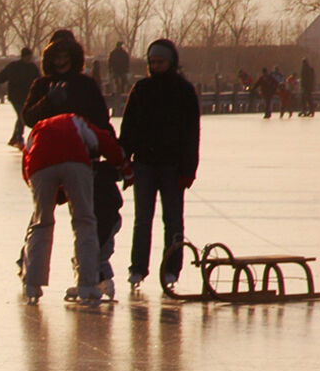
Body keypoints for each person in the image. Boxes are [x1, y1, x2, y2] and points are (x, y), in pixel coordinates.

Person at [22, 30, 124, 298]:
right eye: (56, 56)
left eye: (65, 56)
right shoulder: (42, 86)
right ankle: (34, 278)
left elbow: (102, 122)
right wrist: (48, 102)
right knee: (49, 219)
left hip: (81, 158)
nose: (60, 62)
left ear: (74, 57)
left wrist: (114, 156)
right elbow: (29, 118)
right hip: (50, 159)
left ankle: (90, 278)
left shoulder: (85, 85)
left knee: (88, 217)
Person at [18, 110, 132, 304]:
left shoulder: (37, 129)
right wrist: (124, 167)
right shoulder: (77, 121)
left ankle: (32, 284)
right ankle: (86, 285)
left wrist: (48, 195)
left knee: (41, 223)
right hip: (74, 160)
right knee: (84, 222)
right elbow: (102, 141)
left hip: (39, 165)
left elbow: (27, 162)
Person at [120, 38, 200, 291]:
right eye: (152, 62)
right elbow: (129, 129)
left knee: (173, 220)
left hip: (173, 167)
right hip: (143, 164)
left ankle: (171, 269)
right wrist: (124, 161)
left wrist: (189, 170)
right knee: (142, 219)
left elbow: (191, 134)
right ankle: (137, 268)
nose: (156, 66)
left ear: (171, 62)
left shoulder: (183, 91)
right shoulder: (141, 89)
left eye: (161, 62)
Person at [0, 47, 40, 147]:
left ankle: (15, 138)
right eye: (28, 56)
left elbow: (39, 81)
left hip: (26, 97)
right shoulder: (14, 67)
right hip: (15, 97)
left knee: (21, 117)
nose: (29, 58)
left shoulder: (32, 68)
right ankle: (18, 137)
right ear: (24, 56)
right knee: (21, 116)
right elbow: (2, 76)